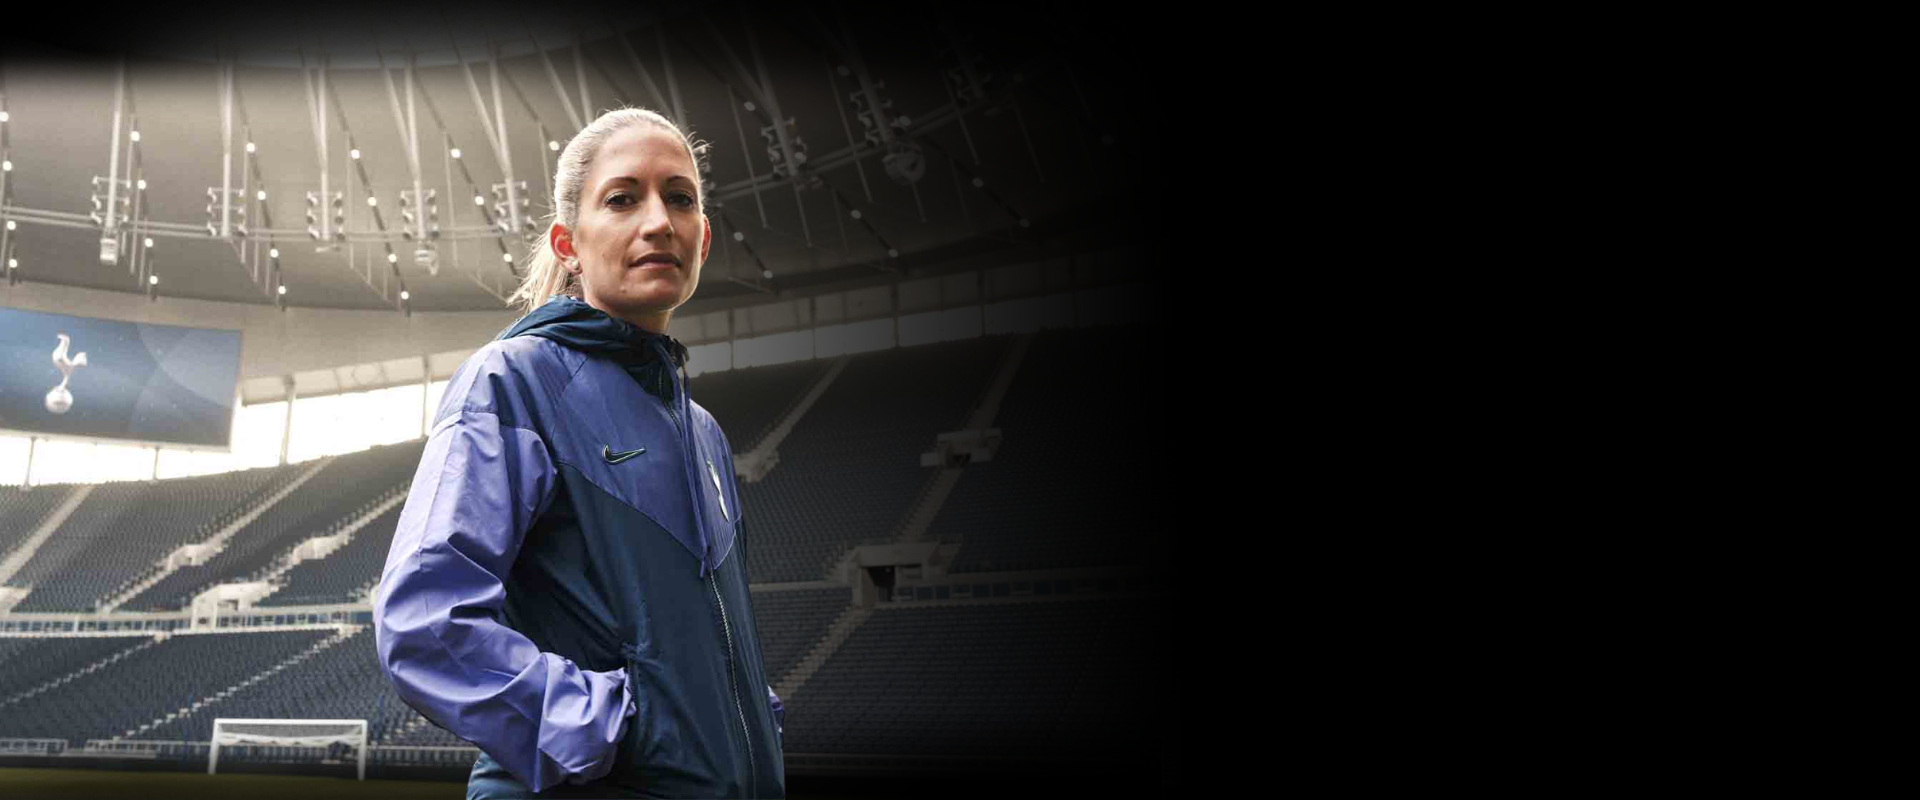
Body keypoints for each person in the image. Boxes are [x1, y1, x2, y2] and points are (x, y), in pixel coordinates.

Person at [374, 106, 785, 799]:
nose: (659, 221)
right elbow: (424, 622)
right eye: (622, 199)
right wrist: (617, 729)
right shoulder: (512, 380)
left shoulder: (704, 433)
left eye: (680, 199)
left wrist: (749, 720)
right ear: (568, 243)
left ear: (703, 238)